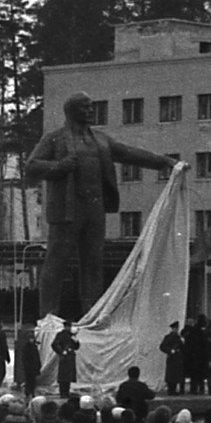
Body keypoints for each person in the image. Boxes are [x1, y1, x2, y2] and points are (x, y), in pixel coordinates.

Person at [24, 91, 183, 316]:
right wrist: (59, 167)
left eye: (91, 106)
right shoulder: (55, 138)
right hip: (67, 210)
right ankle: (48, 315)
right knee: (56, 262)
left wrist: (164, 162)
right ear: (71, 111)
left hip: (94, 208)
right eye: (85, 107)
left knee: (93, 263)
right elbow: (31, 166)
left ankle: (93, 314)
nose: (91, 111)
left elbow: (129, 153)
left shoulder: (100, 139)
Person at [51, 322, 80, 398]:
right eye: (67, 327)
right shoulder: (60, 335)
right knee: (63, 376)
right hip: (64, 357)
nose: (69, 328)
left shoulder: (72, 335)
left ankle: (67, 392)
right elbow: (54, 344)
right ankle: (62, 393)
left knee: (69, 377)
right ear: (64, 327)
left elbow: (76, 347)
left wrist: (76, 341)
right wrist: (61, 351)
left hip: (70, 357)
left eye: (69, 327)